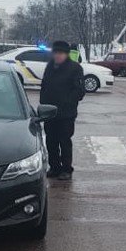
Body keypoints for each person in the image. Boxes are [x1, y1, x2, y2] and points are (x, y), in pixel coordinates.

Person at [39, 40, 85, 180]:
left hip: (66, 114)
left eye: (61, 53)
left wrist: (67, 102)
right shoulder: (50, 67)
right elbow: (44, 85)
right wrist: (43, 102)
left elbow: (79, 91)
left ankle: (66, 169)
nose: (58, 56)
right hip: (49, 112)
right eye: (56, 53)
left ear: (66, 54)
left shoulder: (75, 68)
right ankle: (54, 167)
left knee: (64, 141)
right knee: (51, 142)